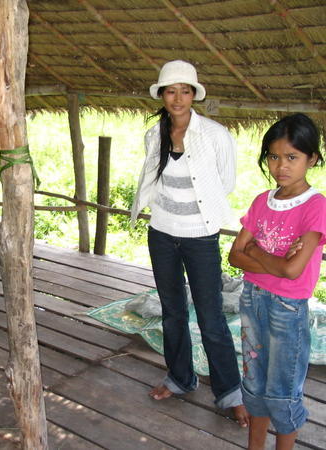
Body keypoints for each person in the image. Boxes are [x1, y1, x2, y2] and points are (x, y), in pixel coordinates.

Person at [130, 60, 248, 425]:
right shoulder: (155, 134)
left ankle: (230, 392)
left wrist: (196, 218)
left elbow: (225, 183)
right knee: (172, 311)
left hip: (200, 236)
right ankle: (180, 379)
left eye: (185, 91)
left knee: (211, 316)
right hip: (162, 233)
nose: (178, 98)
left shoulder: (214, 134)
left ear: (194, 95)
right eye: (170, 91)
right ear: (162, 96)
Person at [229, 113, 325, 450]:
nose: (281, 166)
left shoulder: (316, 207)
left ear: (312, 158)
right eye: (274, 156)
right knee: (254, 383)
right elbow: (233, 256)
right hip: (252, 299)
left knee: (283, 390)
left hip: (287, 309)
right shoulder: (262, 201)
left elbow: (292, 271)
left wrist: (255, 252)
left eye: (292, 157)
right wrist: (273, 260)